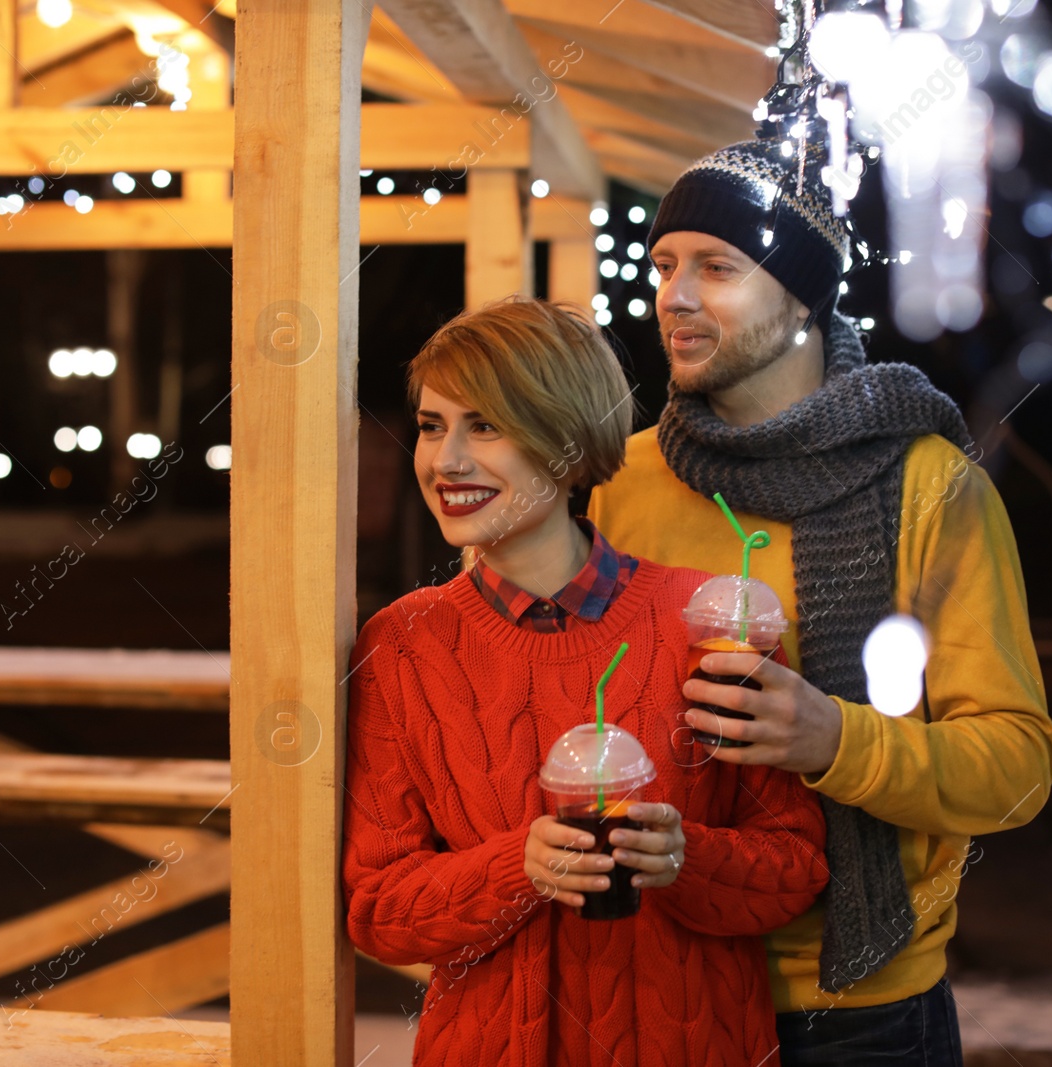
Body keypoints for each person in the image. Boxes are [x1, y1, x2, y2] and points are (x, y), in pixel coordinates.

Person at [587, 137, 1052, 1066]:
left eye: (716, 268)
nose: (673, 297)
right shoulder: (625, 481)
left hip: (858, 1013)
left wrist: (835, 741)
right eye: (664, 266)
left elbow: (1018, 766)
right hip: (662, 977)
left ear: (803, 297)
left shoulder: (928, 485)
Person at [342, 297, 830, 1066]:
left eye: (486, 425)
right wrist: (518, 867)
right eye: (434, 425)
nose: (447, 460)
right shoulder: (401, 646)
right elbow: (378, 908)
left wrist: (686, 859)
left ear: (568, 444)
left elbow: (795, 868)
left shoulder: (709, 623)